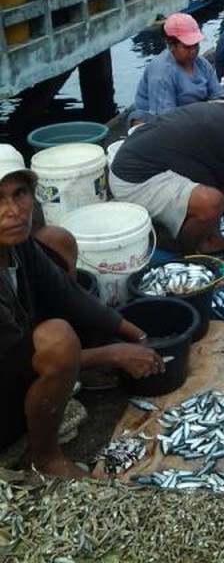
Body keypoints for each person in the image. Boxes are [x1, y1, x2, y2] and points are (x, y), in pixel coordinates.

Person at [0, 145, 162, 477]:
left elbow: (68, 294)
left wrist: (137, 333)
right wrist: (112, 354)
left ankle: (63, 372)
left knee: (58, 239)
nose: (13, 211)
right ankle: (44, 459)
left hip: (14, 353)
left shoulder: (18, 246)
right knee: (57, 339)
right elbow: (17, 360)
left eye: (20, 194)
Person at [110, 72, 224, 255]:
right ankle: (185, 247)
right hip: (133, 180)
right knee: (211, 202)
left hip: (127, 163)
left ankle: (210, 236)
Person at [132, 13, 223, 123]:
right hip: (167, 125)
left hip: (197, 116)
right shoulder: (162, 72)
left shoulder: (201, 63)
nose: (193, 50)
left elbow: (217, 94)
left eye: (196, 45)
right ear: (171, 44)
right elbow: (165, 119)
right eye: (187, 47)